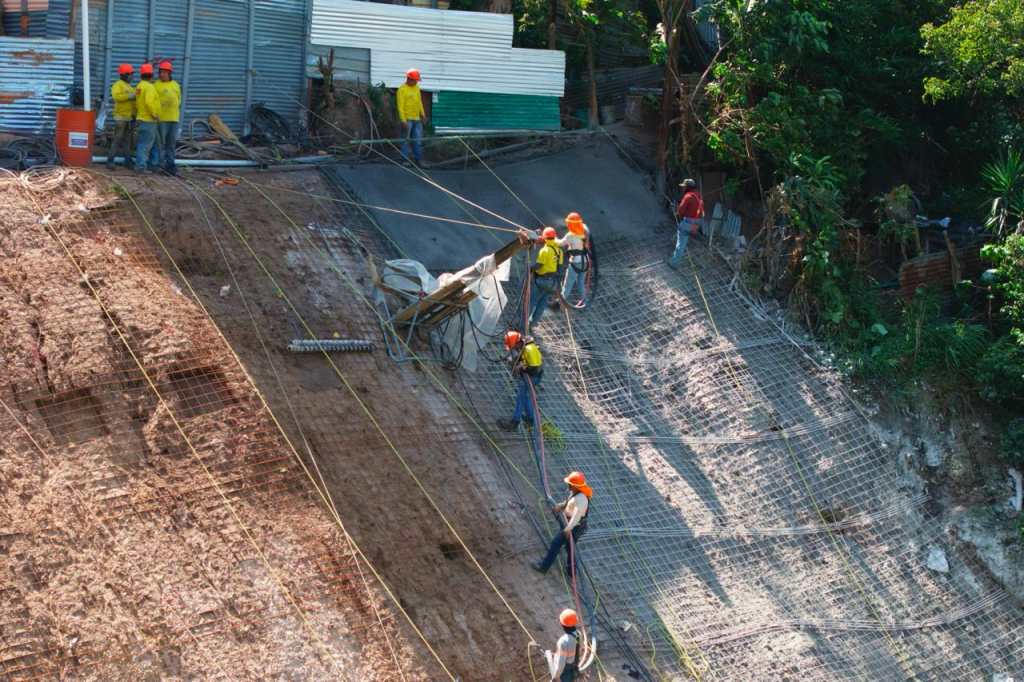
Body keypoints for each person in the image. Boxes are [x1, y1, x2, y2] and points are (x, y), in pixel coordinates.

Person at [533, 471, 592, 575]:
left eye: (570, 484)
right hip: (570, 525)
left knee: (556, 544)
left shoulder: (582, 499)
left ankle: (543, 567)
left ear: (575, 485)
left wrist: (568, 529)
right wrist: (560, 506)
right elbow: (569, 502)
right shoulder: (576, 492)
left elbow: (576, 516)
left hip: (574, 527)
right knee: (570, 548)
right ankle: (571, 572)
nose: (568, 485)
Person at [497, 330, 543, 432]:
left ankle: (515, 422)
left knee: (521, 397)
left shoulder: (529, 349)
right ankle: (531, 419)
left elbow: (535, 369)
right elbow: (524, 359)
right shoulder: (525, 345)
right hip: (532, 374)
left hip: (533, 376)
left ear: (518, 342)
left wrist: (521, 369)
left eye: (514, 346)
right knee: (525, 396)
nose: (514, 349)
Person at [554, 212, 590, 309]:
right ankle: (585, 302)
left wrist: (553, 237)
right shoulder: (585, 229)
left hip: (575, 263)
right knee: (580, 283)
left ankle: (559, 304)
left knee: (568, 284)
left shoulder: (570, 235)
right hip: (585, 262)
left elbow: (560, 243)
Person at [529, 227, 564, 326]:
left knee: (532, 301)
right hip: (552, 282)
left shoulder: (545, 250)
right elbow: (560, 268)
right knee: (542, 304)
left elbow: (539, 265)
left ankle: (523, 325)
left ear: (544, 238)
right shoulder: (559, 251)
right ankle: (533, 323)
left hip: (542, 281)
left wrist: (530, 268)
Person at [668, 178, 705, 269]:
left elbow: (680, 212)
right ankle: (676, 242)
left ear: (688, 188)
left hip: (689, 223)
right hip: (698, 223)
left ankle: (674, 263)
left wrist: (674, 208)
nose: (683, 188)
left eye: (684, 187)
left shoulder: (688, 197)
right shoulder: (699, 195)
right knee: (683, 232)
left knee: (681, 243)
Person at [154, 61, 181, 176]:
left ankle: (170, 164)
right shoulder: (156, 85)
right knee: (160, 143)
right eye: (160, 72)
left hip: (174, 118)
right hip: (162, 119)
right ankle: (160, 165)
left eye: (164, 72)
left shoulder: (175, 84)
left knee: (171, 143)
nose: (161, 74)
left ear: (169, 73)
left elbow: (179, 99)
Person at [107, 64, 136, 170]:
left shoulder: (130, 87)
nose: (132, 77)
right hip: (120, 117)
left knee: (127, 141)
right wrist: (130, 96)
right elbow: (116, 97)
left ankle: (127, 160)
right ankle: (110, 160)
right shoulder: (117, 85)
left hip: (129, 117)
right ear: (124, 75)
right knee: (117, 139)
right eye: (131, 74)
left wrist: (134, 115)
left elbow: (133, 104)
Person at [134, 63, 162, 173]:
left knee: (144, 143)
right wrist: (154, 115)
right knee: (145, 145)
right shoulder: (149, 87)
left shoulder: (139, 86)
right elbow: (149, 102)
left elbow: (137, 103)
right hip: (149, 120)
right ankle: (141, 167)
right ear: (151, 74)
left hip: (141, 118)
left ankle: (149, 164)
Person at [397, 68, 426, 165]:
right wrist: (403, 121)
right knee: (405, 140)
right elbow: (400, 106)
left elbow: (419, 102)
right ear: (409, 79)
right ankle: (405, 160)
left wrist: (423, 114)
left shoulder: (416, 87)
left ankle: (419, 159)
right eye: (415, 80)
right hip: (407, 119)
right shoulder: (402, 90)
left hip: (417, 119)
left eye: (417, 81)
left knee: (417, 140)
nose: (416, 82)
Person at [545, 609, 581, 681]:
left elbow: (560, 664)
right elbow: (578, 651)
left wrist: (555, 677)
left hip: (565, 671)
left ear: (562, 624)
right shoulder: (578, 634)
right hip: (574, 667)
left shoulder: (563, 642)